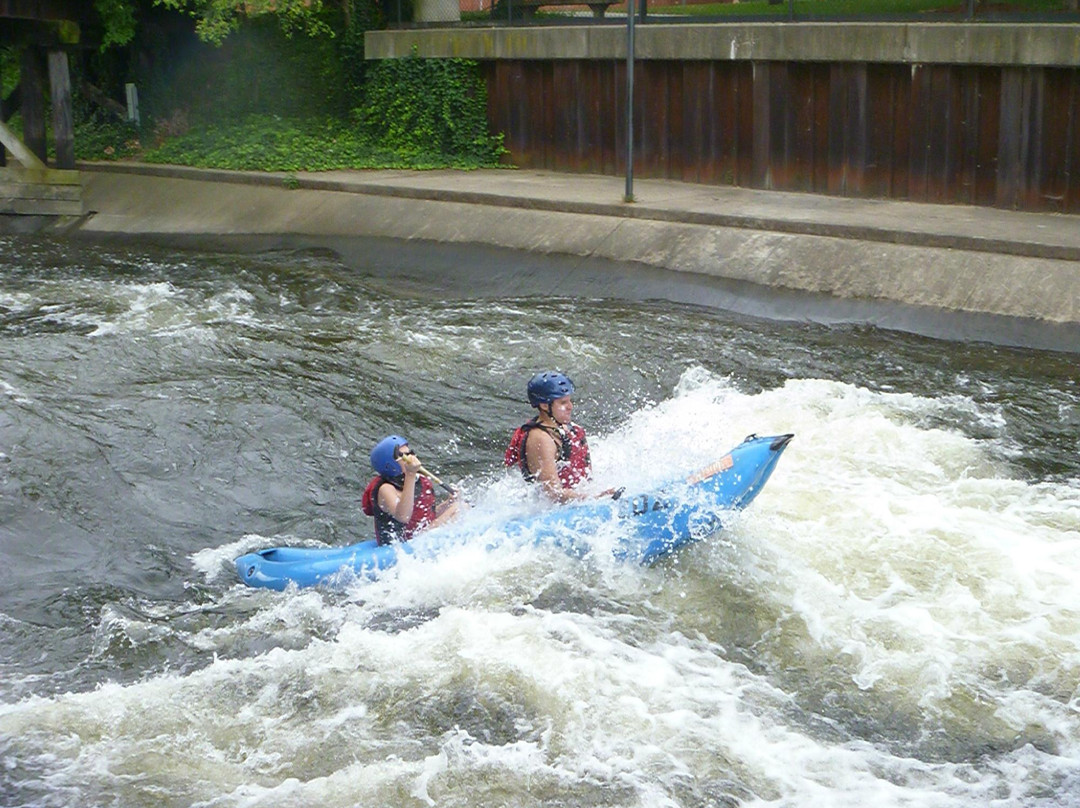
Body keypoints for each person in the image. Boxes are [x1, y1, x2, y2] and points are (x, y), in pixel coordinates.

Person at [504, 371, 610, 503]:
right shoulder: (541, 438)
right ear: (544, 405)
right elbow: (553, 493)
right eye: (563, 403)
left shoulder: (565, 428)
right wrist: (594, 497)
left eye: (569, 401)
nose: (570, 407)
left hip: (573, 501)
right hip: (548, 510)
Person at [362, 434, 459, 545]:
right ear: (390, 464)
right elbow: (403, 516)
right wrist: (410, 474)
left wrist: (448, 503)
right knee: (458, 509)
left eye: (411, 453)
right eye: (406, 455)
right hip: (400, 546)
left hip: (416, 537)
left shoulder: (416, 481)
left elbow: (424, 518)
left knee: (457, 506)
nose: (412, 457)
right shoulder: (385, 489)